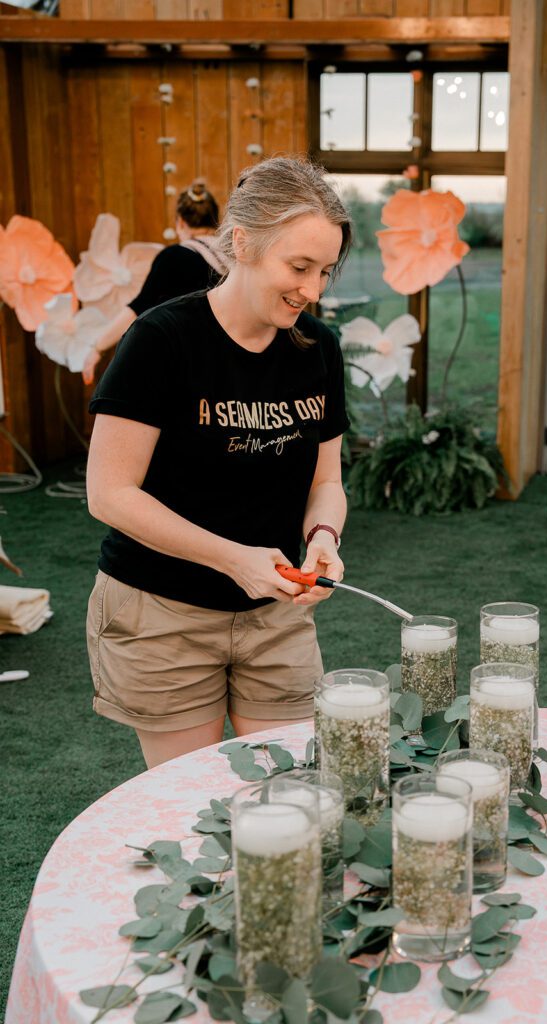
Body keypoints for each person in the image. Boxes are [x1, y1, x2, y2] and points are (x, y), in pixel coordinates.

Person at [85, 157, 352, 769]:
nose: (312, 291)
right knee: (193, 805)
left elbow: (327, 480)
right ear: (242, 243)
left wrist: (322, 535)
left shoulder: (319, 348)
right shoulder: (161, 339)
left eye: (325, 272)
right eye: (299, 266)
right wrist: (234, 559)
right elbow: (109, 493)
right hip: (162, 613)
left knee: (287, 792)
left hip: (277, 612)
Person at [82, 179, 227, 385]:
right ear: (216, 220)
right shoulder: (234, 258)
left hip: (185, 366)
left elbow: (138, 308)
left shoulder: (173, 257)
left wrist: (97, 347)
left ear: (180, 223)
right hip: (226, 363)